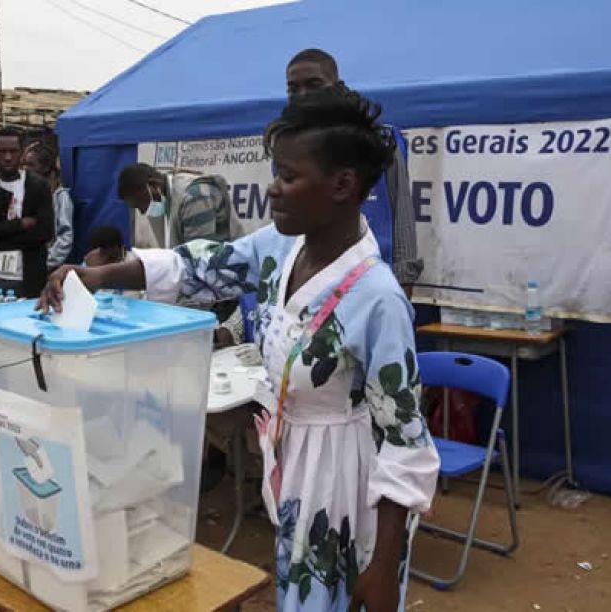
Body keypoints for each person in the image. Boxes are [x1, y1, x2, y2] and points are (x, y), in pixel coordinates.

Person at [39, 86, 439, 611]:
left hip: (346, 486)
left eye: (288, 176)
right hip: (294, 466)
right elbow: (198, 265)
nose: (273, 190)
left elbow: (405, 439)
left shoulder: (376, 297)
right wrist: (98, 275)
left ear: (342, 185)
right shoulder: (280, 248)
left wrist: (384, 564)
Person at [286, 48, 422, 295]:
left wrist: (402, 288)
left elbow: (402, 221)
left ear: (338, 87)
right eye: (294, 89)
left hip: (371, 284)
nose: (303, 95)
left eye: (314, 85)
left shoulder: (379, 141)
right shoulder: (287, 150)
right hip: (312, 290)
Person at [0, 127, 54, 302]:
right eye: (2, 151)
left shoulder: (38, 186)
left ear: (22, 153)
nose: (7, 157)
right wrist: (18, 225)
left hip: (29, 276)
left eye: (13, 151)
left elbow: (45, 233)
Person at [118, 162, 234, 249]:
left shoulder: (194, 197)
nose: (143, 212)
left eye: (141, 204)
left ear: (154, 185)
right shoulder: (165, 196)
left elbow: (198, 255)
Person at [22, 142, 74, 271]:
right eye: (24, 164)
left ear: (45, 167)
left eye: (31, 164)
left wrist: (48, 262)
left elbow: (65, 236)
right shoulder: (25, 192)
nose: (26, 169)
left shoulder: (60, 197)